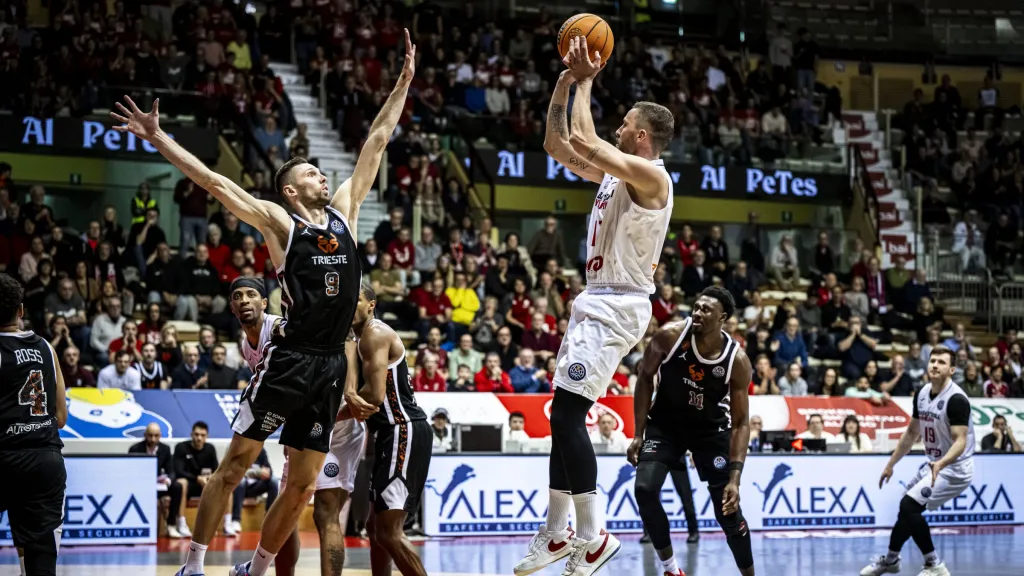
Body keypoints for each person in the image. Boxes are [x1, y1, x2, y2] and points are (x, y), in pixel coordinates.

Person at [112, 29, 416, 576]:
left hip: (328, 365)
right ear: (292, 191)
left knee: (300, 487)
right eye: (309, 173)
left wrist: (402, 85)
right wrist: (159, 139)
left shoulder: (345, 214)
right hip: (291, 357)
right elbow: (213, 181)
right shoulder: (281, 222)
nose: (322, 174)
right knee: (234, 469)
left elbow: (375, 141)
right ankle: (194, 565)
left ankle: (256, 567)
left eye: (321, 171)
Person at [515, 35, 675, 576]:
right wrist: (564, 83)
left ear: (642, 136)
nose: (616, 128)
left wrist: (587, 77)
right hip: (596, 302)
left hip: (620, 305)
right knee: (562, 415)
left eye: (625, 124)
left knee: (567, 413)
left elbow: (584, 133)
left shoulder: (653, 177)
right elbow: (559, 145)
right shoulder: (614, 174)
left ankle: (590, 532)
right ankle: (558, 534)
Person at [228, 276, 365, 576]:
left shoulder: (284, 326)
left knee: (326, 513)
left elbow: (348, 339)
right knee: (287, 504)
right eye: (238, 296)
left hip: (336, 420)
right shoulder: (246, 344)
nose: (244, 301)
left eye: (251, 294)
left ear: (266, 302)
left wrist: (351, 389)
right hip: (305, 420)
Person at [629, 287, 755, 576]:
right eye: (696, 307)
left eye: (706, 309)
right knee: (645, 490)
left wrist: (735, 478)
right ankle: (671, 568)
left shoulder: (737, 361)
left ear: (722, 318)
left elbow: (741, 423)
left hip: (709, 431)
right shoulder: (669, 336)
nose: (697, 313)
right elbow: (645, 377)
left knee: (729, 514)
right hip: (665, 426)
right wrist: (638, 433)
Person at [337, 284, 431, 576]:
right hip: (388, 433)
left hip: (402, 430)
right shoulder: (357, 338)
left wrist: (329, 419)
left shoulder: (375, 334)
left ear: (372, 305)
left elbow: (375, 396)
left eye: (357, 301)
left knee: (389, 531)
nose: (351, 307)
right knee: (375, 526)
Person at [861, 346, 974, 576]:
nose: (934, 365)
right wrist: (891, 464)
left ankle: (934, 565)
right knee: (906, 510)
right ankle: (891, 561)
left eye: (941, 362)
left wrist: (941, 464)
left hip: (954, 469)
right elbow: (912, 433)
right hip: (934, 465)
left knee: (908, 506)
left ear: (951, 370)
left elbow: (960, 441)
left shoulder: (956, 400)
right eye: (932, 360)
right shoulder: (922, 393)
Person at [0, 273, 68, 576]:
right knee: (41, 560)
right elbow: (61, 417)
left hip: (4, 455)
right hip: (45, 460)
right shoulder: (46, 347)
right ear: (21, 310)